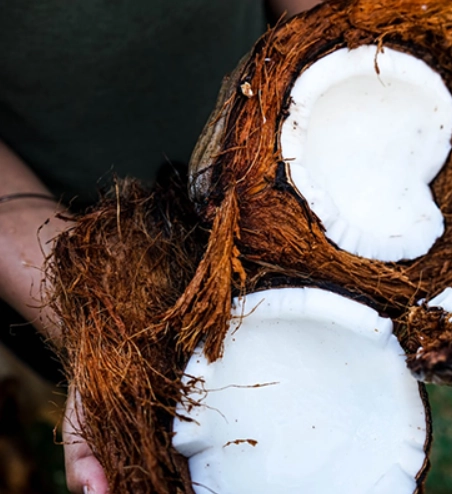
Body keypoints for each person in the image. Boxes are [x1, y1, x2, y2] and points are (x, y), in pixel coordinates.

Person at [0, 1, 321, 492]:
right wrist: (95, 311)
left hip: (276, 155)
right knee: (63, 368)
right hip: (59, 224)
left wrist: (341, 71)